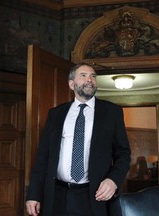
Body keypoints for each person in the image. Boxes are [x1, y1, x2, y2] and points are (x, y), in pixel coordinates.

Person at [26, 63, 131, 216]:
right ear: (71, 84)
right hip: (56, 194)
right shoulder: (55, 114)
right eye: (83, 75)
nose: (90, 80)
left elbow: (123, 153)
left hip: (93, 195)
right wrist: (34, 194)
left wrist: (113, 180)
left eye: (93, 76)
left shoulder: (112, 112)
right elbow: (43, 157)